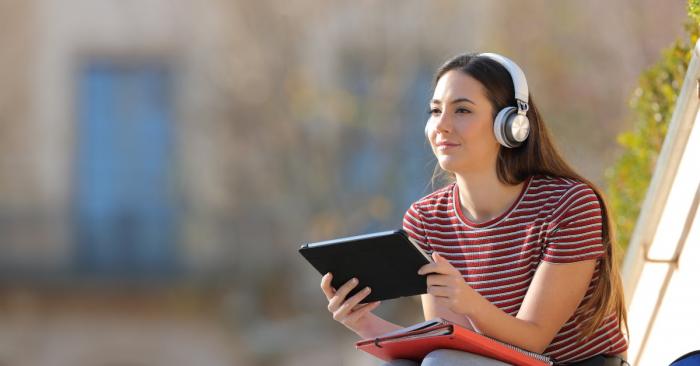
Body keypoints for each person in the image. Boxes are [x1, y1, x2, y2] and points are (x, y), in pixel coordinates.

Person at [319, 52, 629, 365]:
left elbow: (534, 341)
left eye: (462, 110)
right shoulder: (426, 220)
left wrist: (467, 300)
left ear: (511, 125)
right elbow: (450, 340)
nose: (441, 125)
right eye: (435, 110)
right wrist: (363, 323)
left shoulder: (569, 204)